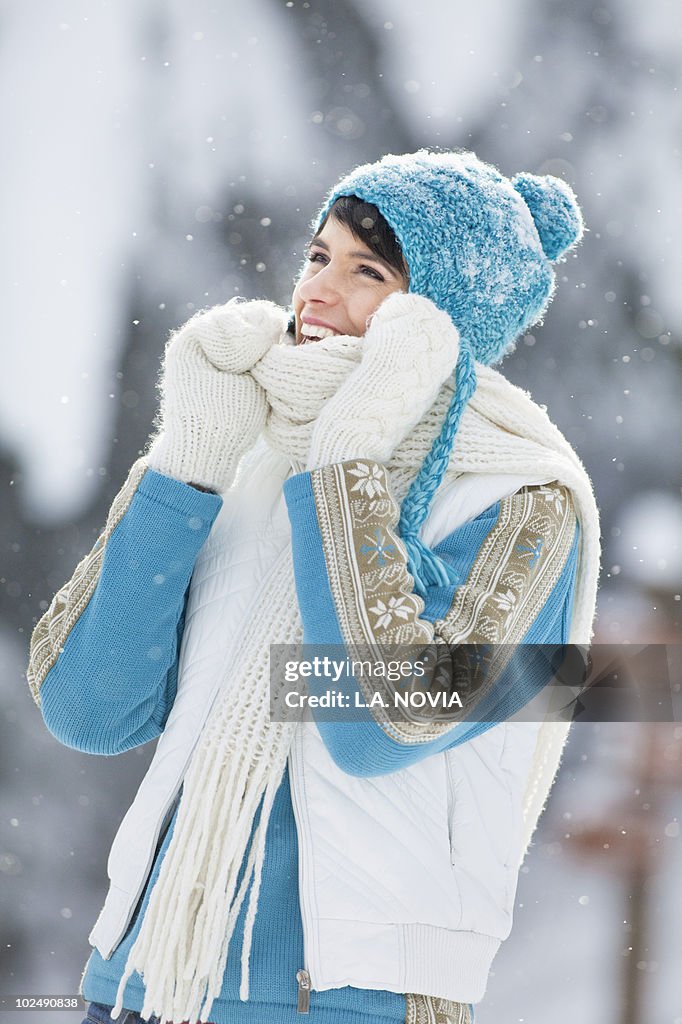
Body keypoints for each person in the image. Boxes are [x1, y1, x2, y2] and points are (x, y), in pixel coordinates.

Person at [27, 149, 601, 1024]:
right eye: (316, 256)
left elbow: (383, 723)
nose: (315, 293)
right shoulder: (256, 464)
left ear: (439, 314)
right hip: (144, 981)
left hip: (352, 1000)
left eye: (367, 271)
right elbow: (88, 707)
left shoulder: (523, 505)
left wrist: (347, 462)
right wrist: (189, 460)